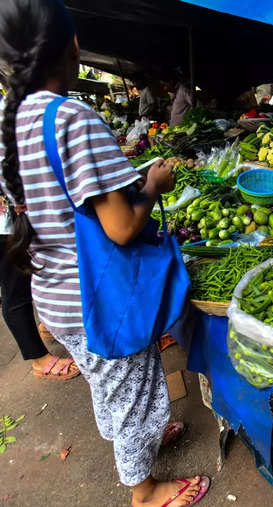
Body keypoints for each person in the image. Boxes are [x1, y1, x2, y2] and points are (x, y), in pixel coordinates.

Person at [0, 1, 209, 505]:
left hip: (55, 296)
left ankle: (135, 447)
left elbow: (56, 203)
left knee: (107, 385)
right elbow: (122, 229)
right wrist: (154, 184)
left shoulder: (11, 122)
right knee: (132, 396)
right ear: (72, 45)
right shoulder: (70, 116)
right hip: (100, 300)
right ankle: (145, 490)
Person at [1, 193, 80, 380]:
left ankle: (49, 325)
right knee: (15, 288)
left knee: (44, 267)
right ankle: (39, 358)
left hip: (24, 211)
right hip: (4, 224)